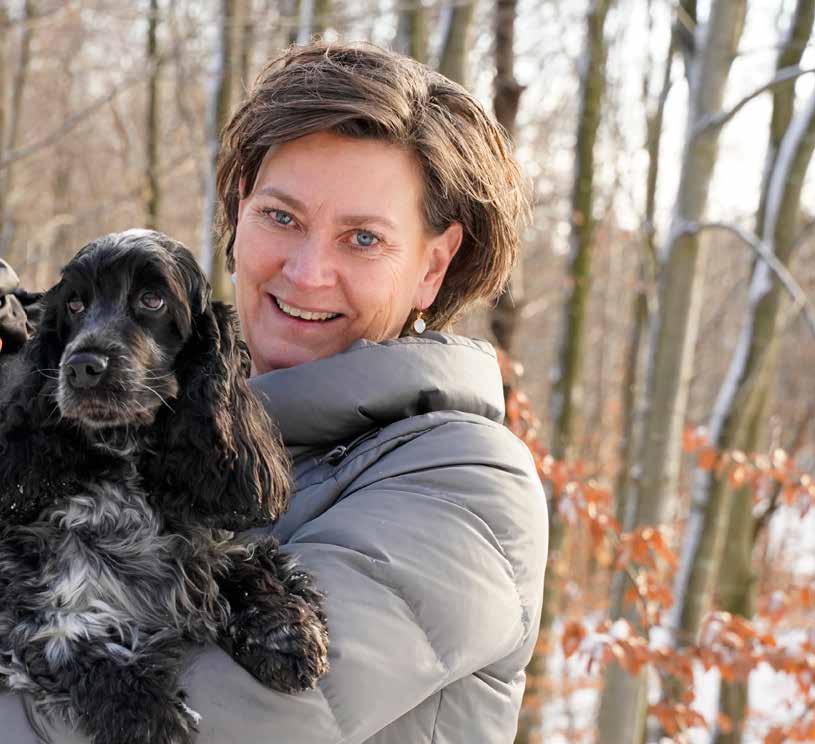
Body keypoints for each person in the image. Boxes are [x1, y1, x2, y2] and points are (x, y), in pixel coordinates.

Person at [1, 42, 548, 743]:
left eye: (363, 238)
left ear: (432, 266)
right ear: (239, 214)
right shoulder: (150, 426)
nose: (307, 272)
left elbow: (225, 715)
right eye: (281, 217)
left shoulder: (465, 481)